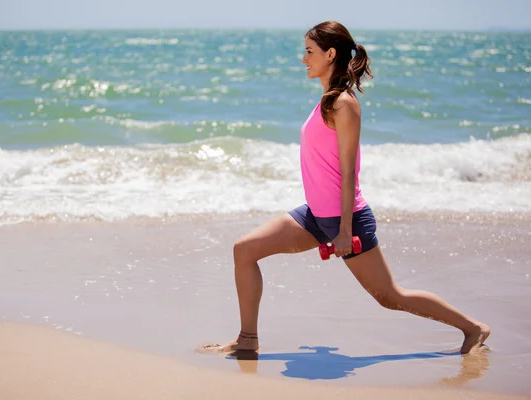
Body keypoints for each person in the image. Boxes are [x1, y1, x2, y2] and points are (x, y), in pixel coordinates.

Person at [203, 21, 490, 355]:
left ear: (331, 53)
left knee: (390, 297)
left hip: (346, 219)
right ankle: (247, 340)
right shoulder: (326, 100)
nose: (303, 59)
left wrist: (343, 230)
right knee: (244, 249)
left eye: (309, 51)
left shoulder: (344, 104)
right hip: (314, 216)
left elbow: (349, 172)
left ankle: (473, 328)